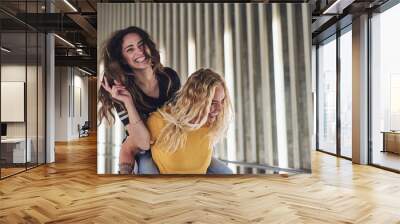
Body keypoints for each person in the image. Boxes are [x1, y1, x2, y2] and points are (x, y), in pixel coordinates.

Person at [98, 26, 232, 174]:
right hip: (144, 145)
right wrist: (128, 102)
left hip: (171, 136)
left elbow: (180, 111)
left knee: (225, 172)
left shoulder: (169, 77)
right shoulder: (123, 94)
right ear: (123, 59)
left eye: (141, 44)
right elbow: (143, 143)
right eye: (130, 49)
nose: (140, 51)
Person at [147, 69, 233, 174]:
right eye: (212, 102)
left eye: (222, 101)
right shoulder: (159, 122)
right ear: (195, 99)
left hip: (199, 188)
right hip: (168, 189)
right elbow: (132, 150)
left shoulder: (210, 124)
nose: (219, 109)